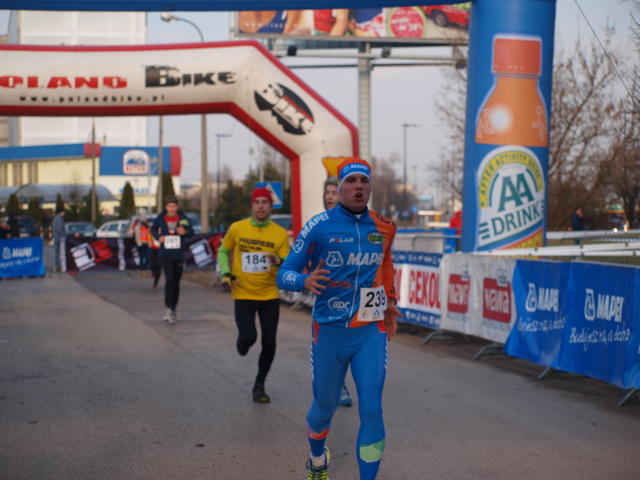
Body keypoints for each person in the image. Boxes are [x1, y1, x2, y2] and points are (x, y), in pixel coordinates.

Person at [277, 158, 402, 480]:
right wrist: (303, 281)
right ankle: (317, 458)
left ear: (370, 187)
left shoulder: (385, 226)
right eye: (351, 181)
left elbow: (386, 262)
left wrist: (390, 299)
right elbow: (284, 273)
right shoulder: (319, 226)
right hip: (329, 331)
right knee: (324, 409)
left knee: (372, 408)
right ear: (340, 187)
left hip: (369, 330)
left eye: (364, 181)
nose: (358, 187)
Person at [217, 187, 290, 403]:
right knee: (249, 337)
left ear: (270, 206)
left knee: (270, 342)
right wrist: (226, 273)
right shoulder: (237, 228)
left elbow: (288, 261)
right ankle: (243, 341)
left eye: (264, 202)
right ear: (252, 205)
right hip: (243, 293)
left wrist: (279, 261)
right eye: (257, 202)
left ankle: (259, 384)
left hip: (269, 295)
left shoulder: (279, 233)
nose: (260, 206)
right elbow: (224, 250)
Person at [323, 176, 353, 408]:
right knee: (333, 344)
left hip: (354, 293)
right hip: (328, 296)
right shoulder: (319, 224)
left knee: (352, 343)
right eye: (328, 192)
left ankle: (339, 382)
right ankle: (338, 384)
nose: (330, 197)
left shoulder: (356, 222)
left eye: (334, 192)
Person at [151, 196, 194, 324]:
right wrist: (159, 237)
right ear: (166, 207)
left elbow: (192, 232)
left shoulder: (183, 218)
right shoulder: (161, 218)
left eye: (174, 206)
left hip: (178, 255)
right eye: (169, 206)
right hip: (165, 254)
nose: (171, 208)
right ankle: (169, 308)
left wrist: (184, 232)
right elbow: (153, 229)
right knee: (169, 279)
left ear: (177, 207)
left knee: (175, 282)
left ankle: (173, 308)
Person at [148, 223, 162, 290]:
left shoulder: (164, 233)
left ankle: (155, 284)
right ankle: (153, 271)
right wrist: (150, 242)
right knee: (153, 265)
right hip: (153, 250)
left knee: (158, 268)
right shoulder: (152, 233)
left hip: (161, 251)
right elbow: (149, 241)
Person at [52, 207, 66, 272]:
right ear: (61, 212)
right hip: (59, 238)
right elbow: (59, 229)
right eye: (63, 212)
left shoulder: (55, 219)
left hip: (56, 238)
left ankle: (57, 266)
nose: (64, 213)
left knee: (57, 253)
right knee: (59, 253)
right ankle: (58, 266)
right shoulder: (59, 219)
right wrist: (63, 236)